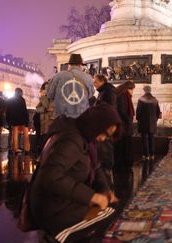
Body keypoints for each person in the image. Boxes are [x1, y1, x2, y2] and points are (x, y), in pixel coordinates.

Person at [30, 104, 120, 242]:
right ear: (96, 124)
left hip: (63, 200)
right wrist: (92, 196)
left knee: (107, 207)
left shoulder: (85, 137)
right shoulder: (71, 140)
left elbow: (95, 167)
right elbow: (50, 176)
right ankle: (59, 235)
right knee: (107, 213)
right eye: (104, 133)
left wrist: (104, 190)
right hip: (53, 207)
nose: (102, 139)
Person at [47, 53, 95, 119]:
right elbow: (90, 95)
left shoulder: (58, 76)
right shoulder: (88, 78)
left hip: (62, 118)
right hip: (81, 118)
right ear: (80, 65)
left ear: (69, 64)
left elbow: (50, 94)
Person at [93, 74, 118, 185]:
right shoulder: (104, 91)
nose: (94, 84)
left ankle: (107, 170)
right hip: (103, 124)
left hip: (106, 125)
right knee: (103, 147)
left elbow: (109, 109)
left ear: (102, 81)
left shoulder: (108, 92)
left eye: (96, 82)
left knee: (106, 147)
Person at [136, 85, 162, 160]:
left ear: (144, 90)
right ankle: (152, 154)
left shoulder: (141, 99)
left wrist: (138, 119)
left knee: (144, 138)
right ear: (150, 90)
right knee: (151, 138)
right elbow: (158, 112)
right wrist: (155, 120)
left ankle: (146, 155)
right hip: (152, 122)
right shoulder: (155, 100)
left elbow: (138, 111)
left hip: (143, 122)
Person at [114, 80, 136, 168]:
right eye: (132, 89)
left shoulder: (122, 95)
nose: (132, 92)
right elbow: (122, 110)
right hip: (124, 125)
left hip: (123, 124)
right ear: (128, 89)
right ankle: (124, 163)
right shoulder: (123, 96)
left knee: (122, 144)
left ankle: (123, 162)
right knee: (124, 144)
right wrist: (128, 119)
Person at [6, 88, 30, 153]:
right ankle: (27, 148)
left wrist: (8, 120)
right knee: (26, 134)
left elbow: (7, 111)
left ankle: (15, 149)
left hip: (14, 119)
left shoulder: (10, 100)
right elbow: (24, 110)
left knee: (15, 134)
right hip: (22, 119)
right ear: (20, 92)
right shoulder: (22, 100)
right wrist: (27, 120)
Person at [35, 82, 54, 152]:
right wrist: (44, 109)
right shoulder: (44, 97)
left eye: (47, 88)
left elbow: (47, 106)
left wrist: (43, 97)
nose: (46, 90)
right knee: (43, 138)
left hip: (50, 120)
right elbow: (37, 108)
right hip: (43, 121)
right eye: (45, 88)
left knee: (47, 139)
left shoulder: (52, 97)